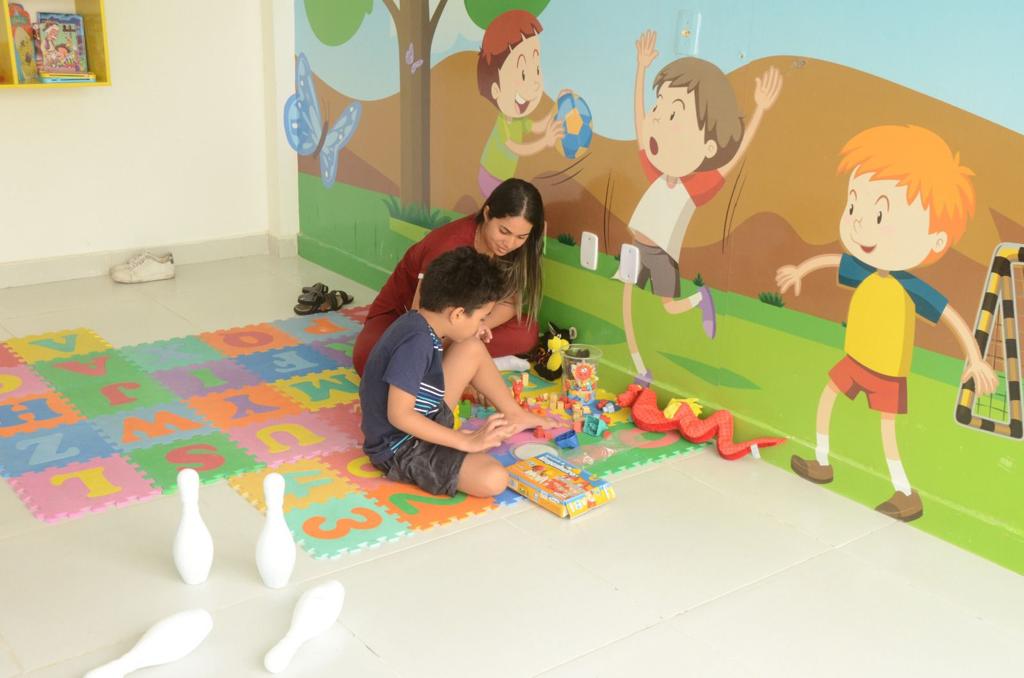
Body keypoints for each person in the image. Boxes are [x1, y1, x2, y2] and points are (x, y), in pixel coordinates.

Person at [777, 124, 998, 522]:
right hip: (855, 359)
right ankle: (821, 461)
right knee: (828, 397)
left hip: (886, 371)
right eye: (853, 208)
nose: (860, 224)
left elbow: (949, 314)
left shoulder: (910, 287)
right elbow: (832, 261)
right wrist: (800, 270)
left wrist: (976, 357)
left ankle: (905, 493)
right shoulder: (864, 270)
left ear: (935, 240)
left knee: (887, 431)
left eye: (879, 215)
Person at [616, 30, 782, 384]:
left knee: (669, 306)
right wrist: (641, 68)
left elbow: (732, 159)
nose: (656, 121)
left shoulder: (692, 187)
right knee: (626, 300)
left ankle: (700, 299)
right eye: (659, 108)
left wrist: (760, 111)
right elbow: (640, 122)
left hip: (661, 253)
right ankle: (640, 368)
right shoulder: (655, 171)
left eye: (672, 116)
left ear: (708, 147)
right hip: (637, 244)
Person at [359, 247, 552, 498]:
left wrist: (470, 329)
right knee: (493, 478)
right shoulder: (415, 344)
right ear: (458, 314)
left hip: (426, 414)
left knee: (471, 346)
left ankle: (514, 414)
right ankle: (458, 445)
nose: (483, 324)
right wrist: (464, 441)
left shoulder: (420, 321)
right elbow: (399, 415)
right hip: (402, 446)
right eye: (481, 318)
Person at [353, 178, 545, 376]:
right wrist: (460, 334)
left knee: (527, 332)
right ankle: (468, 363)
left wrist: (478, 327)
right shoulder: (449, 244)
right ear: (487, 214)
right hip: (406, 317)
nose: (509, 243)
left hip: (462, 322)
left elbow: (508, 303)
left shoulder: (515, 249)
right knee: (369, 360)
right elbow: (421, 318)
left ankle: (462, 361)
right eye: (504, 231)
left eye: (521, 237)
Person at [476, 10, 564, 197]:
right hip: (490, 176)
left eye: (537, 70)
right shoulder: (504, 123)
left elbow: (537, 126)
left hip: (503, 178)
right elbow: (516, 147)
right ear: (496, 89)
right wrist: (545, 141)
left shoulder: (518, 120)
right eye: (523, 74)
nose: (535, 82)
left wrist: (556, 108)